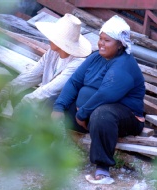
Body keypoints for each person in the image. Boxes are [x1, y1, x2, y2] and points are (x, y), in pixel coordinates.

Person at [51, 15, 145, 184]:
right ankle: (46, 151)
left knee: (102, 114)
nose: (101, 43)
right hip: (88, 117)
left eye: (107, 40)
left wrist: (82, 114)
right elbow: (74, 81)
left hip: (125, 117)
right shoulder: (95, 57)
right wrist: (59, 106)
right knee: (49, 104)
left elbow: (107, 94)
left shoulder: (124, 64)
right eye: (100, 39)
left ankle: (103, 170)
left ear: (119, 45)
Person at [0, 13, 92, 116]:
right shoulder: (52, 52)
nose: (49, 39)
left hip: (59, 107)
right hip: (44, 97)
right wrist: (9, 89)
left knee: (45, 102)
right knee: (19, 92)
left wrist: (26, 101)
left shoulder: (77, 63)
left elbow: (52, 89)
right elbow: (33, 74)